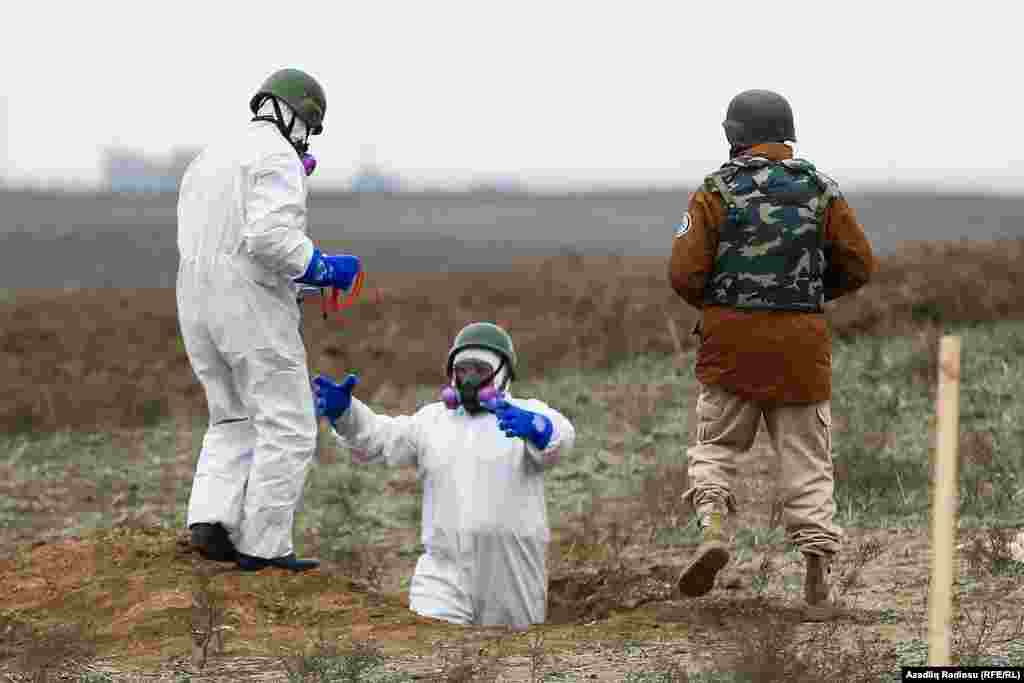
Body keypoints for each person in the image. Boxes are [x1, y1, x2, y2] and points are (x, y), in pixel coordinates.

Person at [667, 89, 877, 615]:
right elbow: (859, 263)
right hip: (801, 347)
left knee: (715, 447)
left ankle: (713, 528)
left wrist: (724, 304)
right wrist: (805, 293)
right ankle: (816, 577)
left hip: (730, 344)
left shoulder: (716, 190)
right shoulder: (821, 189)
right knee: (807, 461)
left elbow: (684, 273)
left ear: (735, 133)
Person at [177, 67, 362, 572]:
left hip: (195, 303)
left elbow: (230, 246)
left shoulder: (210, 156)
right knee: (290, 423)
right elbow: (267, 239)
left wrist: (301, 280)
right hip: (249, 309)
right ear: (294, 115)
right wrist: (323, 267)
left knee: (232, 414)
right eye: (308, 128)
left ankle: (210, 521)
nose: (305, 141)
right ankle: (264, 546)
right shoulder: (278, 155)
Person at [312, 322, 575, 629]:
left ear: (502, 373)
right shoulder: (432, 421)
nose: (469, 378)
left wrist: (536, 427)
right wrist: (346, 414)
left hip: (511, 569)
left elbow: (561, 437)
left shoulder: (525, 414)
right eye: (462, 370)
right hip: (443, 567)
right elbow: (379, 438)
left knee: (510, 658)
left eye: (479, 369)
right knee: (432, 648)